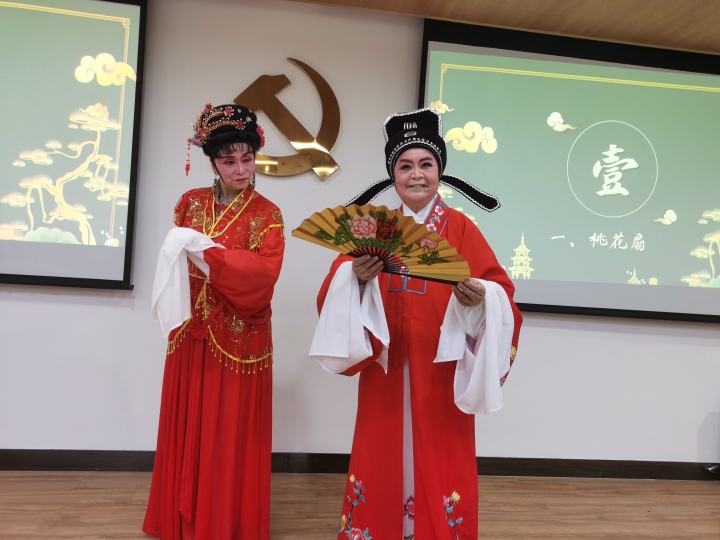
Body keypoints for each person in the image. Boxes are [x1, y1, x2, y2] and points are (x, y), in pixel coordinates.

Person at [310, 108, 522, 540]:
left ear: (440, 171)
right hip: (386, 368)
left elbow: (501, 292)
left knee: (440, 453)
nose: (417, 175)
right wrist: (355, 278)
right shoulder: (371, 228)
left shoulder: (461, 229)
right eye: (405, 166)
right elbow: (332, 288)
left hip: (439, 370)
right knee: (381, 446)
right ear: (393, 175)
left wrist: (481, 299)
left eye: (426, 164)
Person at [143, 103, 284, 539]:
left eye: (247, 158)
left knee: (229, 433)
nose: (241, 170)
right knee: (186, 427)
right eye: (229, 161)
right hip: (191, 333)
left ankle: (223, 523)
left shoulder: (267, 214)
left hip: (240, 335)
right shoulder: (190, 204)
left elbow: (264, 275)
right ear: (212, 163)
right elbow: (173, 264)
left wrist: (210, 255)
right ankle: (180, 519)